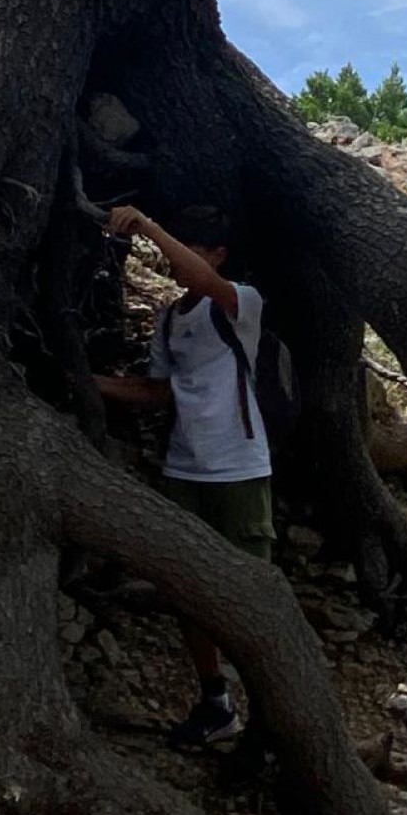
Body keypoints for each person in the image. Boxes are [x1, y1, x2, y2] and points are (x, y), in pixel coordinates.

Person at [93, 203, 275, 749]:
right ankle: (215, 702)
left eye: (192, 246)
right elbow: (157, 393)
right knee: (187, 591)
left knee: (250, 597)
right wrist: (90, 381)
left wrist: (149, 226)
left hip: (239, 468)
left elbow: (206, 283)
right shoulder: (172, 319)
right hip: (183, 469)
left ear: (217, 255)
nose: (179, 257)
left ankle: (273, 716)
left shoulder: (240, 303)